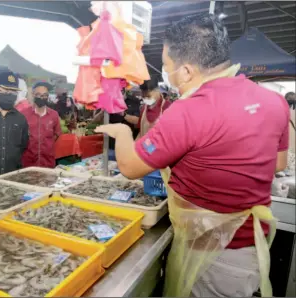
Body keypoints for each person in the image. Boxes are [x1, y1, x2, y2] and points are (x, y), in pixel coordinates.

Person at [96, 14, 289, 297]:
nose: (166, 72)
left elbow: (129, 167)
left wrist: (124, 135)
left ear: (186, 71)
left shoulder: (188, 111)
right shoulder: (275, 101)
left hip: (209, 256)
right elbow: (278, 164)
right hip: (251, 250)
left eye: (166, 65)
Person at [21, 82, 61, 168]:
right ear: (33, 95)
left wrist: (45, 144)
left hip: (48, 163)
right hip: (28, 164)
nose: (42, 97)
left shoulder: (54, 115)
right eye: (38, 94)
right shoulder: (24, 114)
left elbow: (57, 134)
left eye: (45, 95)